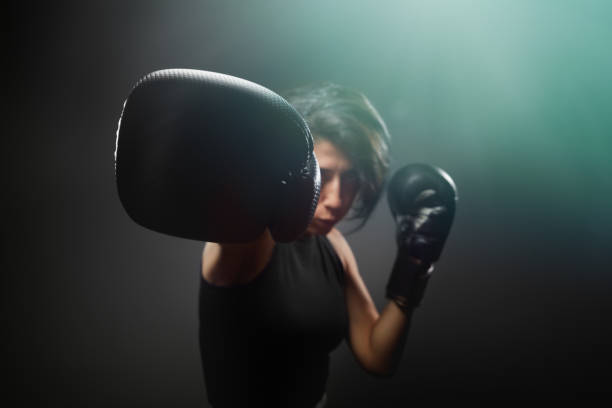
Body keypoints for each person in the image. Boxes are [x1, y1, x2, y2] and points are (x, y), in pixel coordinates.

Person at [114, 70, 456, 408]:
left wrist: (415, 263)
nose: (337, 198)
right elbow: (225, 209)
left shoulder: (334, 245)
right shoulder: (246, 242)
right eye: (326, 173)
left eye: (351, 178)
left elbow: (377, 355)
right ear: (297, 168)